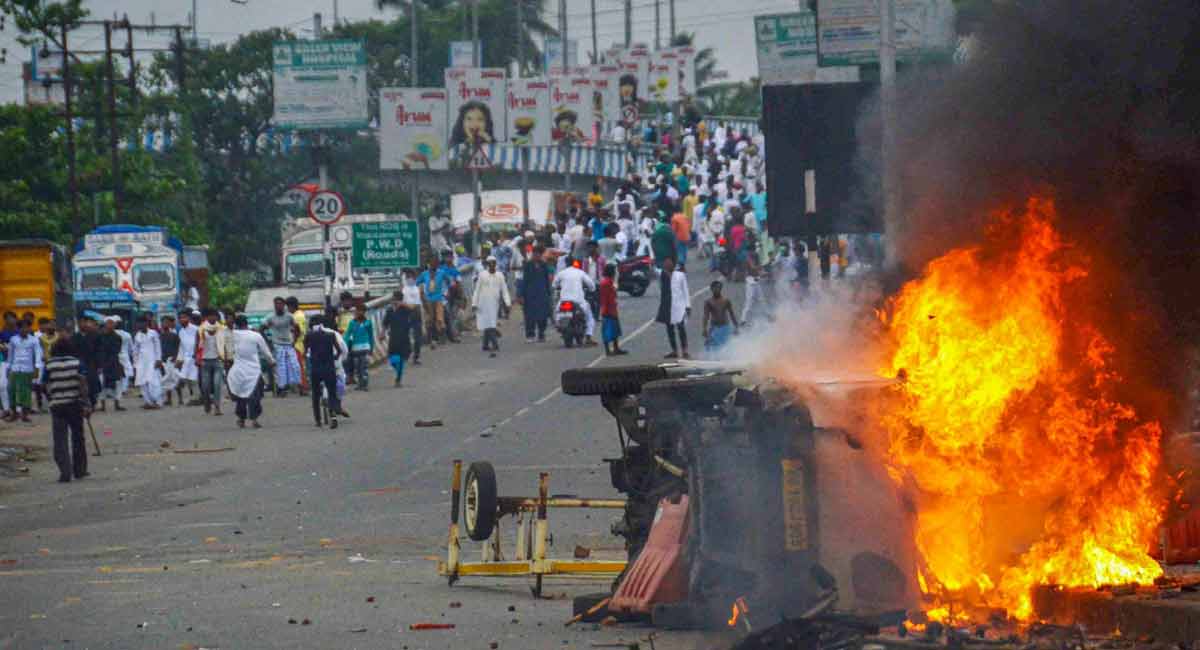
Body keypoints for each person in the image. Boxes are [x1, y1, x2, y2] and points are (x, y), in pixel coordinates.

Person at [45, 337, 90, 483]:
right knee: (78, 437)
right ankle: (80, 470)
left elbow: (45, 384)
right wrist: (86, 403)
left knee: (60, 440)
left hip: (57, 405)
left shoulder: (49, 365)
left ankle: (65, 471)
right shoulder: (77, 363)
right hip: (74, 404)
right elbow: (83, 383)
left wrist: (51, 398)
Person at [227, 315, 273, 429]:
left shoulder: (232, 335)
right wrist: (272, 361)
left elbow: (227, 350)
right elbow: (265, 351)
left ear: (236, 324)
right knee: (255, 396)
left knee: (241, 395)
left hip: (238, 370)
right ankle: (254, 419)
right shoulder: (255, 335)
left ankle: (241, 419)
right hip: (254, 371)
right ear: (247, 323)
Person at [304, 315, 343, 429]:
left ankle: (318, 420)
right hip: (329, 368)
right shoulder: (330, 335)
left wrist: (310, 359)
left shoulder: (309, 336)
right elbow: (339, 351)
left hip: (316, 369)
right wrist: (334, 357)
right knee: (332, 393)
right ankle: (333, 416)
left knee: (316, 395)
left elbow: (305, 352)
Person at [472, 256, 510, 358]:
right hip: (483, 303)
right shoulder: (482, 275)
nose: (492, 265)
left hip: (494, 303)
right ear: (487, 264)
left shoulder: (500, 275)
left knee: (490, 323)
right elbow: (477, 290)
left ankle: (485, 345)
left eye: (494, 263)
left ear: (496, 263)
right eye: (490, 263)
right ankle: (494, 344)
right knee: (488, 324)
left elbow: (504, 290)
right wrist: (474, 303)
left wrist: (507, 303)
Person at [554, 258, 598, 346]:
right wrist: (591, 289)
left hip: (563, 301)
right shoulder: (580, 272)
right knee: (589, 317)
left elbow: (554, 285)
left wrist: (560, 287)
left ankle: (559, 325)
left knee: (557, 312)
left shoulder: (561, 273)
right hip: (579, 301)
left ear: (566, 264)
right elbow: (591, 285)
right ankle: (588, 337)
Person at [6, 319, 43, 422]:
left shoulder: (34, 340)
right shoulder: (13, 339)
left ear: (30, 328)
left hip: (28, 369)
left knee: (26, 391)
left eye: (27, 327)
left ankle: (25, 414)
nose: (25, 329)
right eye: (22, 327)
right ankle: (13, 414)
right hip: (15, 368)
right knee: (11, 390)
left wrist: (37, 368)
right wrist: (8, 368)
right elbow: (10, 355)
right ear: (18, 329)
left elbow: (38, 354)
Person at [656, 257, 691, 359]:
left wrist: (688, 306)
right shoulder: (662, 275)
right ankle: (674, 350)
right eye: (666, 263)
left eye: (670, 262)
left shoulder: (680, 275)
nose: (668, 264)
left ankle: (685, 350)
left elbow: (686, 291)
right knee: (670, 329)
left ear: (673, 264)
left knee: (681, 328)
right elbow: (652, 270)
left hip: (679, 306)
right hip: (667, 306)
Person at [265, 297, 300, 396]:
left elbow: (297, 328)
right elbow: (261, 328)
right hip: (277, 344)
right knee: (280, 367)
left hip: (289, 344)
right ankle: (281, 388)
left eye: (280, 304)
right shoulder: (270, 317)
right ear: (274, 305)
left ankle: (293, 385)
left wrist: (295, 340)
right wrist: (267, 343)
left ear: (284, 305)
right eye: (276, 304)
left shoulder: (289, 316)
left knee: (294, 365)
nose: (278, 306)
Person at [197, 308, 228, 416]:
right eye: (210, 316)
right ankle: (207, 403)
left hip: (218, 360)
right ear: (206, 317)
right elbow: (197, 344)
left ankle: (217, 407)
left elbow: (224, 344)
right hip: (205, 360)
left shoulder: (222, 329)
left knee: (217, 384)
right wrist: (197, 357)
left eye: (214, 316)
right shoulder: (201, 329)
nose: (212, 318)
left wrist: (226, 357)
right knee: (205, 386)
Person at [519, 245, 554, 343]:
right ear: (533, 254)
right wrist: (521, 295)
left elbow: (547, 280)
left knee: (542, 316)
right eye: (535, 254)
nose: (536, 256)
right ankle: (530, 335)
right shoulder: (527, 265)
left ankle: (541, 334)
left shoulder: (544, 265)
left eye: (538, 254)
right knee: (529, 316)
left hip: (542, 294)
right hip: (529, 294)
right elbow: (524, 281)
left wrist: (548, 293)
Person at [131, 316, 164, 410]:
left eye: (142, 323)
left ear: (146, 323)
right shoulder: (137, 335)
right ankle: (148, 402)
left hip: (152, 360)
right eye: (138, 323)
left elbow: (158, 346)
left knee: (154, 381)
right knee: (143, 382)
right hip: (141, 362)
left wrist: (158, 359)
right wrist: (135, 363)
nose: (140, 325)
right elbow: (135, 350)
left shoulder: (153, 333)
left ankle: (158, 402)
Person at [383, 292, 414, 387]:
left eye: (395, 299)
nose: (394, 301)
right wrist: (382, 333)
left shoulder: (404, 309)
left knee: (401, 359)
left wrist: (402, 304)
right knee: (393, 359)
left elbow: (413, 308)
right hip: (393, 337)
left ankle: (398, 380)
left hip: (404, 337)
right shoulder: (389, 310)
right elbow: (385, 323)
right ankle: (398, 373)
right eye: (393, 299)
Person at [95, 316, 125, 412]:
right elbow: (97, 350)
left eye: (112, 323)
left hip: (114, 362)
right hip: (102, 362)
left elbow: (117, 350)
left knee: (118, 384)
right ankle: (102, 405)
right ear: (105, 324)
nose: (110, 325)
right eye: (108, 323)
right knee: (101, 384)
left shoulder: (118, 337)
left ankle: (117, 404)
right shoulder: (99, 336)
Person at [702, 281, 740, 353]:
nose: (716, 290)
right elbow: (706, 316)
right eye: (715, 288)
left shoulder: (726, 301)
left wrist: (736, 327)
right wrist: (704, 328)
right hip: (714, 327)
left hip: (725, 327)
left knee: (727, 346)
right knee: (710, 345)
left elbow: (732, 314)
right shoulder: (708, 302)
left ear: (721, 289)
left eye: (718, 288)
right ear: (711, 289)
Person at [344, 303, 375, 391]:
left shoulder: (368, 323)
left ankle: (364, 384)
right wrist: (345, 346)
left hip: (365, 348)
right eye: (358, 311)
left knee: (364, 367)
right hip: (355, 348)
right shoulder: (352, 323)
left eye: (361, 311)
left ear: (364, 312)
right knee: (357, 367)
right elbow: (347, 335)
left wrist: (372, 347)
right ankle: (360, 384)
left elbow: (371, 336)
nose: (359, 313)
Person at [598, 264, 627, 356]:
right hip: (609, 310)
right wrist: (605, 310)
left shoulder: (608, 281)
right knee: (608, 331)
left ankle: (615, 348)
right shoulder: (606, 283)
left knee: (614, 329)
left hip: (611, 308)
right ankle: (608, 350)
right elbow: (605, 298)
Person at [417, 258, 447, 346]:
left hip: (438, 299)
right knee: (429, 319)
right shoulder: (424, 274)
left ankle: (441, 338)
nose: (433, 265)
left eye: (435, 264)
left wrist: (446, 292)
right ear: (428, 264)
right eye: (431, 264)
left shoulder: (441, 273)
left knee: (439, 319)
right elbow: (417, 282)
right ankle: (431, 339)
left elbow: (449, 281)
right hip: (428, 300)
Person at [401, 269, 424, 365]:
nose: (410, 279)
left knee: (417, 337)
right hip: (406, 314)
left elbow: (414, 305)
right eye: (408, 277)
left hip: (415, 313)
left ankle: (416, 356)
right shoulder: (404, 289)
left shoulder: (416, 289)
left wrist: (405, 305)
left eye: (411, 277)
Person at [287, 297, 309, 396]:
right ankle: (301, 387)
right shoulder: (300, 314)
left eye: (288, 306)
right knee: (298, 367)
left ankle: (304, 387)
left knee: (299, 367)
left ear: (292, 306)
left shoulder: (297, 316)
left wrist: (293, 342)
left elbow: (298, 331)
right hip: (299, 344)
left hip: (297, 345)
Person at [159, 314, 183, 406]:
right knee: (166, 379)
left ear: (169, 323)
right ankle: (169, 399)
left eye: (166, 322)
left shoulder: (174, 335)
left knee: (175, 378)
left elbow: (179, 347)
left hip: (173, 359)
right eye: (163, 322)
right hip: (164, 359)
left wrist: (176, 357)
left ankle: (180, 398)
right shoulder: (160, 336)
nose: (164, 324)